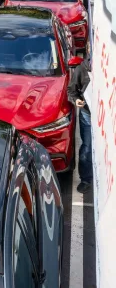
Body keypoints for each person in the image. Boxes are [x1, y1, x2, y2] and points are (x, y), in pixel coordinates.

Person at [67, 51, 93, 193]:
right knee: (87, 148)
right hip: (87, 114)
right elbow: (71, 90)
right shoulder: (81, 69)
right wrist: (76, 99)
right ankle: (86, 179)